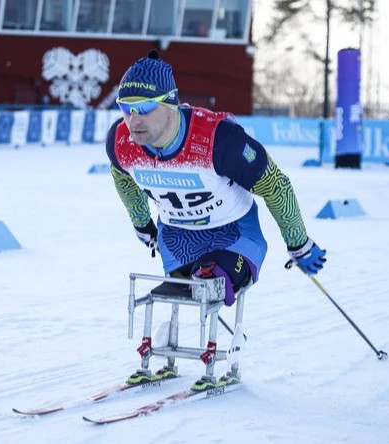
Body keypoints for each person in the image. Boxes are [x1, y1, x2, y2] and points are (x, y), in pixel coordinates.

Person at [106, 51, 326, 383]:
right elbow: (122, 177)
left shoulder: (219, 140)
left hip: (234, 234)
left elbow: (276, 185)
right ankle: (165, 349)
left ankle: (228, 354)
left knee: (211, 284)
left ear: (170, 102)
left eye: (145, 108)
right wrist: (142, 224)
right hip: (178, 240)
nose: (133, 120)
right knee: (179, 291)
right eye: (126, 108)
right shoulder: (121, 142)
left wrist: (299, 244)